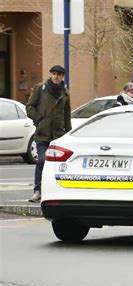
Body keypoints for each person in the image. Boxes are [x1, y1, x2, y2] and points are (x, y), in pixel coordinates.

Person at [26, 65, 71, 203]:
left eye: (58, 74)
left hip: (58, 134)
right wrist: (38, 119)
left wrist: (68, 133)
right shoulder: (41, 88)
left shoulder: (65, 92)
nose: (55, 76)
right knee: (42, 160)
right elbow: (29, 106)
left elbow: (66, 115)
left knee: (60, 165)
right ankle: (37, 190)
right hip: (43, 132)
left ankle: (56, 191)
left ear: (62, 76)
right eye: (53, 74)